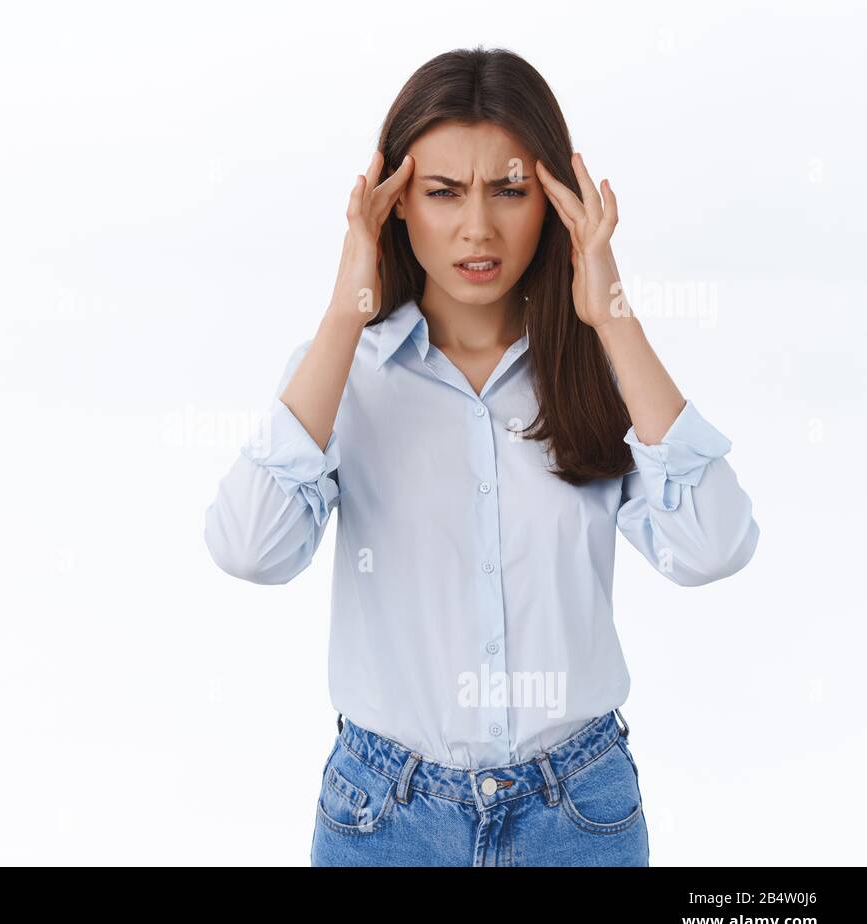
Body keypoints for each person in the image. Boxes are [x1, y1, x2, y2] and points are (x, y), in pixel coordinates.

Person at [202, 46, 759, 866]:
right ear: (393, 204)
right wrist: (344, 308)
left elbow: (713, 548)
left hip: (579, 814)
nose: (478, 227)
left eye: (509, 190)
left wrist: (612, 317)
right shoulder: (342, 374)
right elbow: (250, 551)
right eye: (442, 192)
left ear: (556, 203)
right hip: (384, 819)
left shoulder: (602, 372)